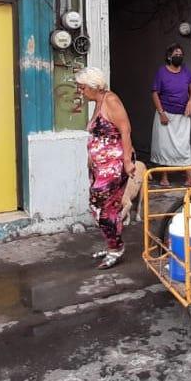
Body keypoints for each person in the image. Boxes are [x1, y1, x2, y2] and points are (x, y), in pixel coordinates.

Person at [76, 67, 135, 269]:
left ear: (93, 86)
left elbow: (125, 130)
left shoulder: (111, 101)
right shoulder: (97, 102)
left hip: (114, 164)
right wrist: (91, 158)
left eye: (82, 88)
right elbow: (97, 136)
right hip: (101, 166)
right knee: (105, 208)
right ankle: (113, 245)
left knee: (99, 205)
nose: (80, 92)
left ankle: (116, 247)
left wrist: (127, 161)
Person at [150, 44, 191, 187]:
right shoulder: (161, 73)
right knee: (165, 147)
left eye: (181, 54)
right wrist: (161, 112)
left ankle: (189, 177)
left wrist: (190, 102)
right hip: (166, 115)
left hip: (183, 115)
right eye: (176, 54)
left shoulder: (186, 72)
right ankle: (165, 177)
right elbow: (155, 93)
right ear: (169, 56)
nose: (179, 56)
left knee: (184, 146)